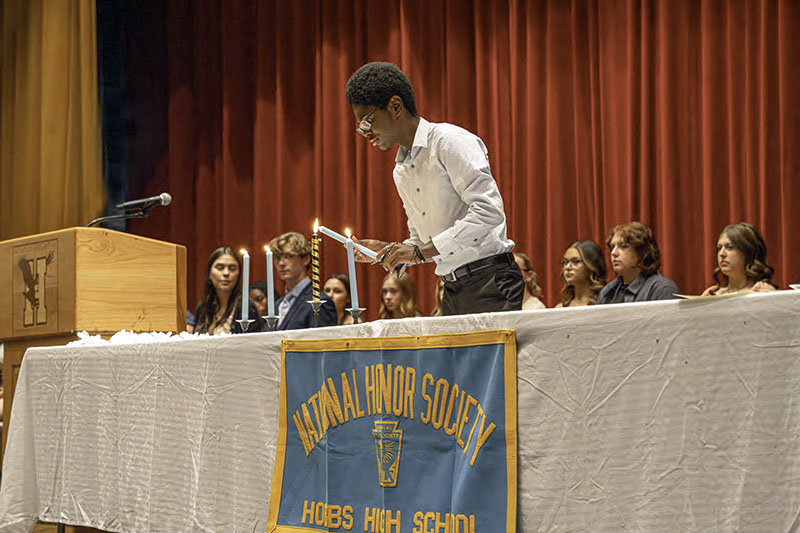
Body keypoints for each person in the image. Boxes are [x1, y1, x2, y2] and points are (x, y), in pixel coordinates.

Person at [345, 62, 523, 316]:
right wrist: (392, 250)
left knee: (490, 357)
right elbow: (425, 241)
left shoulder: (450, 142)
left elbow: (489, 213)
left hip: (490, 282)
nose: (365, 133)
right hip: (450, 288)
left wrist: (419, 251)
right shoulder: (401, 170)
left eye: (366, 121)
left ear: (395, 106)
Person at [597, 222, 680, 304]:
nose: (613, 253)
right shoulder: (607, 292)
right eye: (612, 247)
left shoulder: (663, 289)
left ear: (644, 252)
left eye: (623, 246)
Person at [270, 232, 337, 330]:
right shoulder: (277, 304)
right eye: (277, 257)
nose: (281, 263)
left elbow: (322, 343)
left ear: (306, 259)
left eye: (288, 256)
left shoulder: (319, 301)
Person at [189, 247, 263, 334]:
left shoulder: (246, 307)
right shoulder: (202, 307)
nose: (226, 273)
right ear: (209, 273)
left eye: (232, 269)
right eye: (220, 268)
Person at [701, 223, 776, 296]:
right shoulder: (711, 294)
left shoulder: (763, 292)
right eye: (719, 248)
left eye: (729, 247)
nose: (721, 254)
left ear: (748, 252)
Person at [555, 241, 607, 307]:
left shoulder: (606, 303)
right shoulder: (560, 308)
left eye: (575, 262)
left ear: (591, 266)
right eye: (565, 262)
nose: (568, 267)